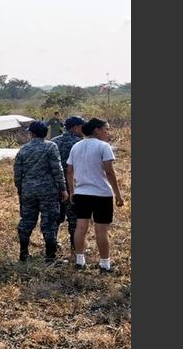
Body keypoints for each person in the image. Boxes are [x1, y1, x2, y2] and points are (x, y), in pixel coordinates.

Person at [66, 118, 125, 272]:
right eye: (106, 129)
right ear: (97, 130)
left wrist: (73, 190)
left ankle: (80, 260)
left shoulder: (76, 146)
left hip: (82, 193)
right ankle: (105, 264)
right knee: (101, 230)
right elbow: (109, 172)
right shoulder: (104, 147)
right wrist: (118, 194)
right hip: (101, 194)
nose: (108, 132)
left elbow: (69, 170)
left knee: (81, 227)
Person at [14, 121, 69, 263]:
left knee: (26, 221)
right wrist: (63, 188)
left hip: (29, 191)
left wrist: (21, 190)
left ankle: (23, 254)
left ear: (32, 133)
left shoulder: (23, 150)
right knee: (49, 222)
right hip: (48, 191)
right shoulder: (51, 147)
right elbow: (57, 169)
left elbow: (17, 173)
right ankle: (50, 257)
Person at [51, 116, 85, 251]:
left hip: (56, 186)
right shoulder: (80, 143)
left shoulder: (53, 142)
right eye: (82, 127)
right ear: (75, 128)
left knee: (55, 218)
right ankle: (75, 248)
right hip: (74, 186)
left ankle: (53, 244)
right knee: (74, 219)